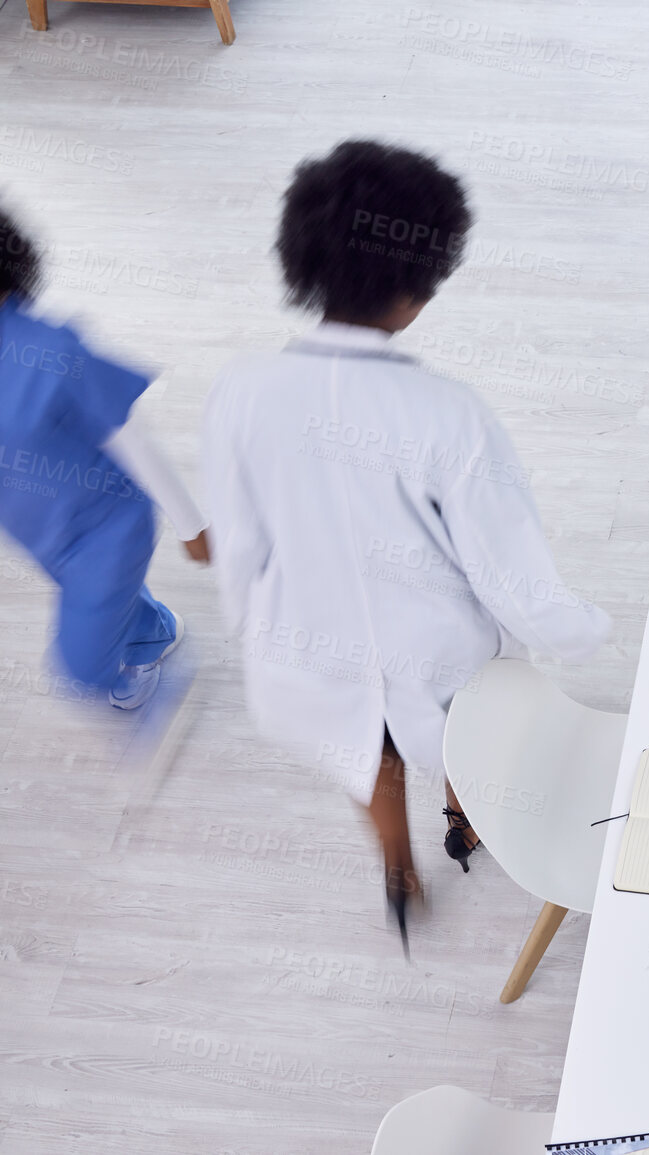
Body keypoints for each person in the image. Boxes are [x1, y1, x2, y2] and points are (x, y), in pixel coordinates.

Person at [202, 141, 610, 946]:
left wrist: (257, 628)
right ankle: (467, 817)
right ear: (420, 288)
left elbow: (237, 545)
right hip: (437, 657)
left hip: (307, 647)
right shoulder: (444, 413)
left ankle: (399, 868)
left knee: (365, 756)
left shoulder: (241, 392)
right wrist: (586, 631)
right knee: (466, 732)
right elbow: (510, 576)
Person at [0, 200, 208, 709]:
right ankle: (153, 632)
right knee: (108, 603)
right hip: (43, 532)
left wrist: (190, 524)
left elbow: (130, 436)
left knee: (79, 664)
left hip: (106, 528)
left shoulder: (51, 352)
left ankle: (153, 704)